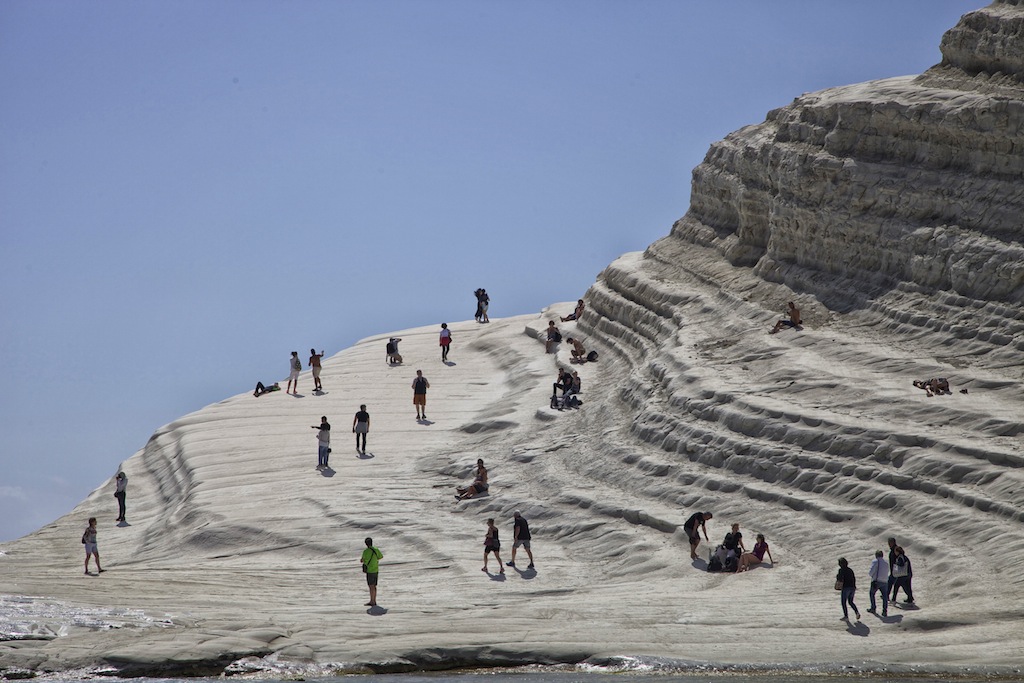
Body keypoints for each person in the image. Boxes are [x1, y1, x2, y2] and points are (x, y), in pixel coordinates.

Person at [360, 537, 383, 607]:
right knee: (374, 586)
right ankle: (374, 600)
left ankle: (372, 601)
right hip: (376, 569)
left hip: (369, 570)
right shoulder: (376, 549)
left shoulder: (366, 551)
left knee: (371, 586)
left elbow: (362, 560)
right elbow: (380, 557)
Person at [867, 549, 889, 616]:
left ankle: (873, 608)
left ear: (876, 555)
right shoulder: (886, 562)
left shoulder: (875, 561)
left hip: (877, 581)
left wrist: (872, 576)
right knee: (885, 596)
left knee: (872, 594)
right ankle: (884, 611)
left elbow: (871, 572)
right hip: (885, 581)